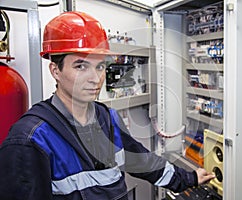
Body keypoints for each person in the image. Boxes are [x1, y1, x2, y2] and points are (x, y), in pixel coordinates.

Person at [0, 11, 215, 200]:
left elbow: (141, 161)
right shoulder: (30, 139)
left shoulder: (107, 118)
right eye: (81, 66)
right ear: (55, 70)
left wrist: (189, 178)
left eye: (100, 66)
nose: (95, 78)